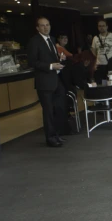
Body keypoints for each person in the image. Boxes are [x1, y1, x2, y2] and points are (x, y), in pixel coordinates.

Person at [26, 17, 67, 147]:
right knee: (48, 111)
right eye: (42, 26)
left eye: (47, 25)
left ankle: (57, 134)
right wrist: (50, 66)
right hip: (44, 82)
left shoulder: (52, 39)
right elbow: (32, 62)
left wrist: (60, 59)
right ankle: (50, 138)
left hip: (55, 79)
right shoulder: (34, 41)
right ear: (37, 28)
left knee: (59, 108)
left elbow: (52, 58)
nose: (46, 27)